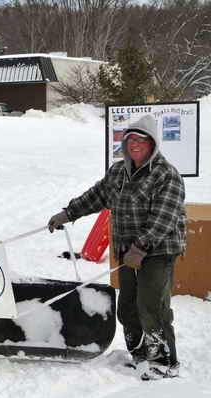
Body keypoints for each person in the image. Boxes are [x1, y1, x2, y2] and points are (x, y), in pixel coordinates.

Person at [47, 114, 186, 380]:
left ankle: (164, 361)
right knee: (126, 307)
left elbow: (164, 218)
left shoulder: (166, 175)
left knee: (152, 306)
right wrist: (68, 214)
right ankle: (139, 354)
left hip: (157, 251)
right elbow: (96, 196)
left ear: (152, 144)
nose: (134, 144)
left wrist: (142, 246)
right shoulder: (118, 172)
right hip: (126, 249)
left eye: (141, 140)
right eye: (130, 139)